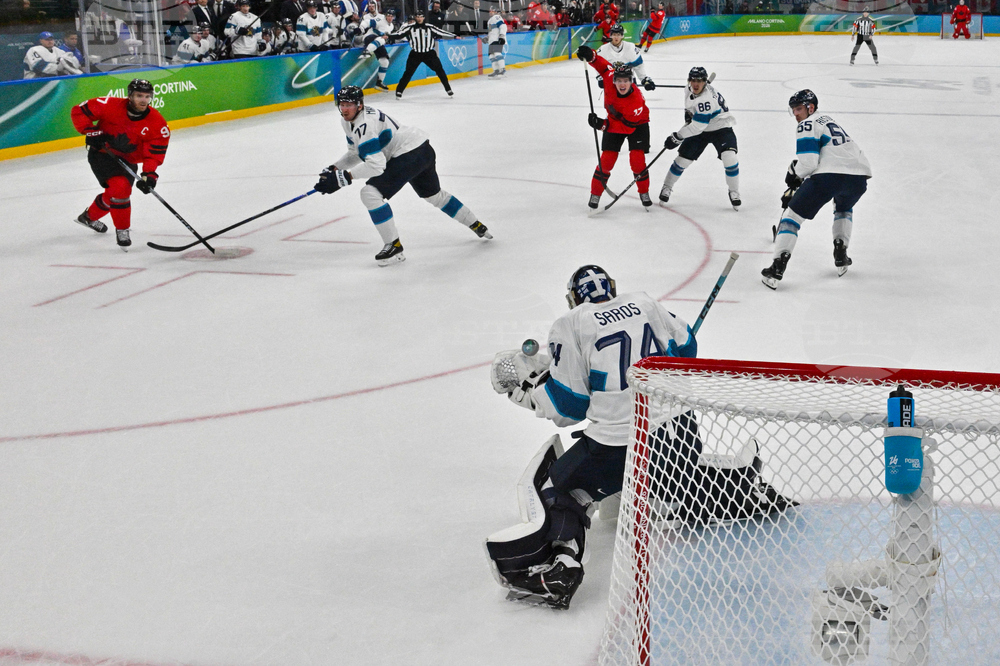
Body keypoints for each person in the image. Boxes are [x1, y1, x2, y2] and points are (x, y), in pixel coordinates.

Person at [484, 265, 697, 609]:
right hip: (682, 432)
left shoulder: (571, 323)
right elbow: (688, 350)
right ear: (611, 287)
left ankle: (560, 571)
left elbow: (569, 408)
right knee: (678, 472)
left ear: (573, 298)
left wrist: (526, 394)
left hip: (621, 448)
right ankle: (738, 488)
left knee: (561, 487)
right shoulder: (644, 302)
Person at [313, 86, 492, 266]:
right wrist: (335, 168)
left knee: (370, 193)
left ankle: (394, 246)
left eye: (349, 105)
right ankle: (475, 224)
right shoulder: (349, 121)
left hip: (409, 154)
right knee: (434, 195)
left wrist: (344, 178)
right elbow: (355, 153)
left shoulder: (364, 126)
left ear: (360, 105)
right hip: (422, 149)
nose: (344, 109)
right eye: (342, 104)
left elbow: (376, 166)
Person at [762, 89, 871, 289]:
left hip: (829, 176)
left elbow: (809, 163)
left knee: (792, 217)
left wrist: (794, 174)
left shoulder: (807, 124)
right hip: (859, 178)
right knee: (843, 208)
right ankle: (841, 253)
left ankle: (777, 267)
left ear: (810, 108)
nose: (796, 114)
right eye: (793, 110)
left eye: (799, 109)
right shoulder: (828, 120)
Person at [70, 79, 170, 251]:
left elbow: (153, 153)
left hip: (128, 160)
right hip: (102, 154)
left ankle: (88, 217)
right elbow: (78, 111)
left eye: (147, 96)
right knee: (121, 188)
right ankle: (122, 230)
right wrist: (90, 131)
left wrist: (149, 175)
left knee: (114, 194)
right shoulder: (109, 105)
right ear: (130, 96)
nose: (143, 100)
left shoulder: (157, 123)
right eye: (139, 95)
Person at [577, 45, 651, 210]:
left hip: (637, 124)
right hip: (614, 122)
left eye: (626, 81)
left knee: (637, 162)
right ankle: (595, 194)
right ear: (613, 80)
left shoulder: (635, 101)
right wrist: (591, 56)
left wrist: (602, 125)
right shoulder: (609, 77)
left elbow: (627, 128)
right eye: (619, 80)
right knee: (607, 161)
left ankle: (644, 192)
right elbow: (603, 65)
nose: (622, 84)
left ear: (631, 82)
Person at [659, 66, 741, 211]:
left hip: (720, 127)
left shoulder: (705, 99)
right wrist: (689, 113)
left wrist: (677, 136)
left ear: (705, 82)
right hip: (702, 126)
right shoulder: (689, 88)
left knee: (730, 157)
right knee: (682, 160)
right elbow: (692, 108)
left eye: (699, 81)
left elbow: (697, 127)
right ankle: (667, 187)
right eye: (693, 80)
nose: (695, 84)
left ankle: (734, 191)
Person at [394, 10, 456, 98]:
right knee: (408, 73)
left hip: (429, 54)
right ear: (415, 18)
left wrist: (454, 35)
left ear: (424, 18)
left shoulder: (429, 27)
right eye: (417, 16)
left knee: (440, 71)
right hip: (415, 54)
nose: (419, 18)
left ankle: (448, 89)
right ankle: (399, 91)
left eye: (421, 16)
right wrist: (388, 36)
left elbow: (441, 32)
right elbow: (399, 34)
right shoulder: (410, 27)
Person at [597, 23, 654, 91]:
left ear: (622, 36)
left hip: (629, 83)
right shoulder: (603, 50)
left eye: (618, 35)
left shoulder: (630, 48)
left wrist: (644, 79)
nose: (616, 37)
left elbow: (638, 66)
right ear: (610, 35)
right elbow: (598, 66)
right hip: (612, 84)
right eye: (614, 34)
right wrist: (600, 77)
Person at [359, 5, 394, 90]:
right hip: (369, 38)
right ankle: (366, 51)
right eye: (388, 16)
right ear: (385, 16)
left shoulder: (391, 26)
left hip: (377, 42)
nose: (389, 18)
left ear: (393, 17)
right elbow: (368, 22)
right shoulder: (380, 20)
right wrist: (361, 28)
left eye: (391, 16)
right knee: (382, 39)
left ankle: (379, 83)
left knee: (385, 61)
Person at [485, 6, 507, 78]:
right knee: (491, 55)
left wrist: (502, 36)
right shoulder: (490, 20)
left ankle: (502, 69)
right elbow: (491, 32)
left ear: (495, 11)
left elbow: (503, 26)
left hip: (497, 39)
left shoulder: (496, 17)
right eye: (490, 11)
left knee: (497, 53)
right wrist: (487, 38)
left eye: (491, 11)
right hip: (491, 40)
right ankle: (496, 70)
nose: (490, 12)